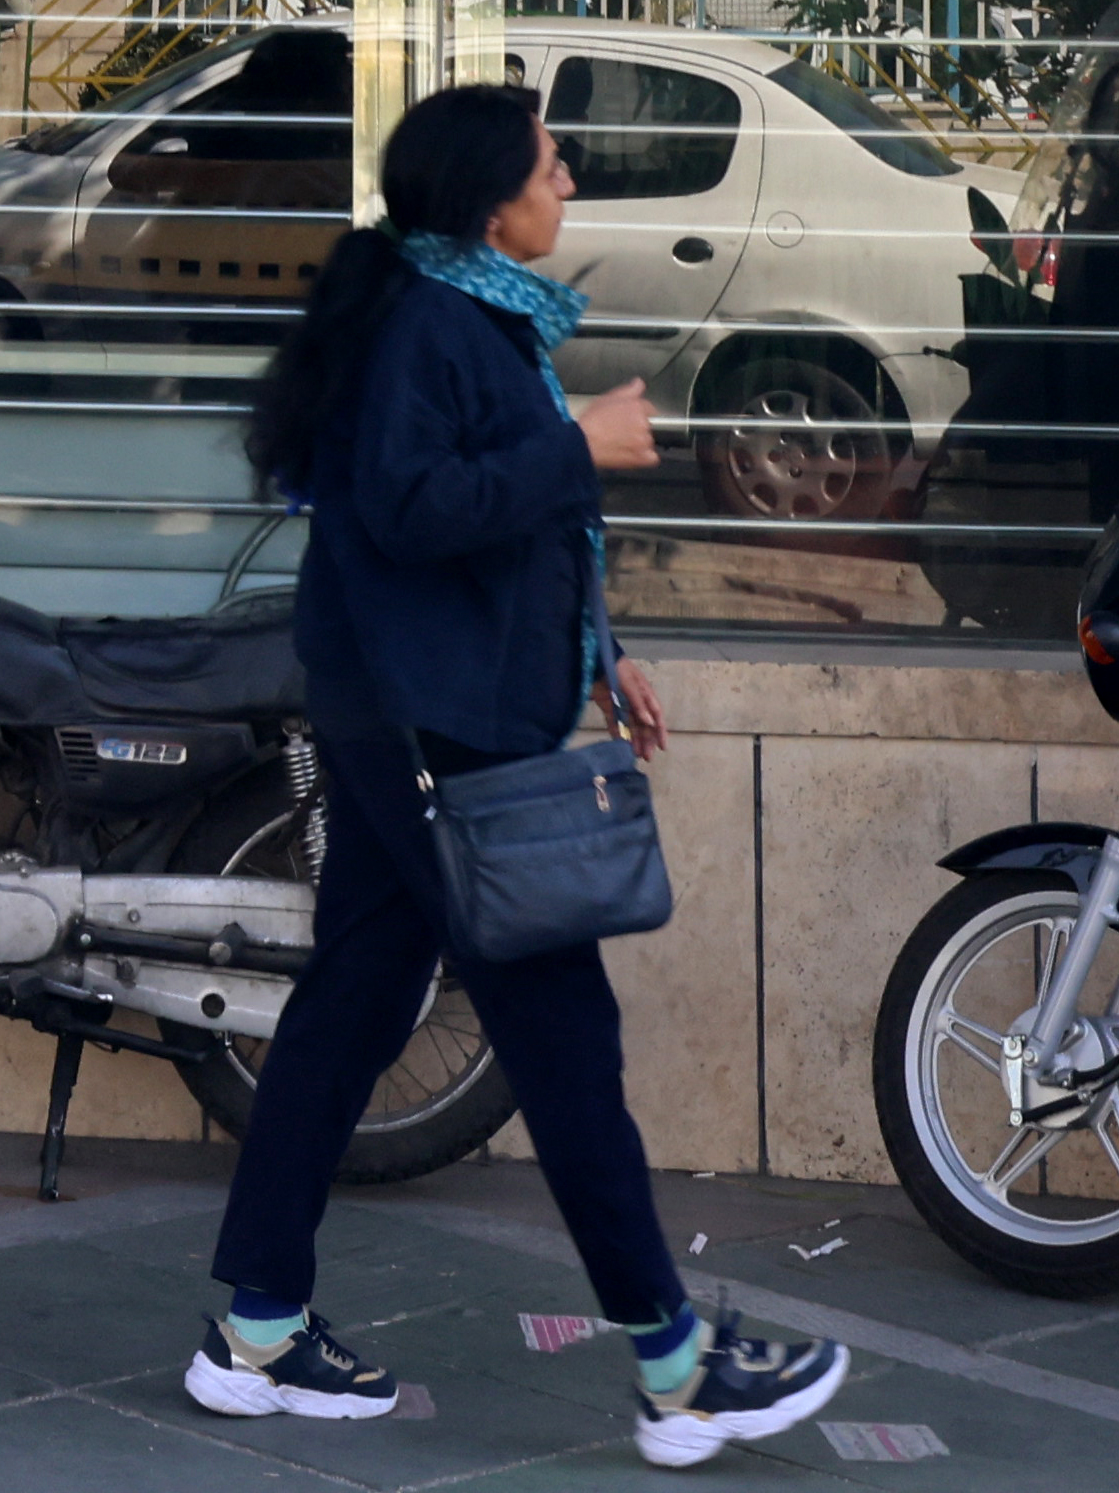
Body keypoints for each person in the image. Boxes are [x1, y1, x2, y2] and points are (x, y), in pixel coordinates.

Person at [191, 79, 855, 1467]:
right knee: (559, 1038)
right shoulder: (429, 326)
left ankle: (254, 1332)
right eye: (552, 167)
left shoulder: (464, 309)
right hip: (436, 733)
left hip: (428, 718)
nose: (568, 187)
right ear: (489, 194)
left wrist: (606, 651)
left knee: (352, 1005)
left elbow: (510, 533)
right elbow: (416, 509)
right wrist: (578, 444)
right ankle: (677, 1369)